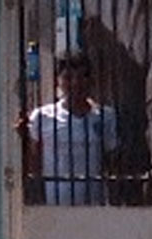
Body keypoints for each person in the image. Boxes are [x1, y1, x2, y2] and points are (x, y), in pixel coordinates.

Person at [21, 50, 119, 206]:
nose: (75, 83)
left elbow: (113, 162)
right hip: (56, 207)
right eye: (68, 77)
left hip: (94, 207)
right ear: (58, 81)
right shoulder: (42, 117)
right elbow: (33, 163)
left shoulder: (105, 117)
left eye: (82, 77)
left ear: (90, 80)